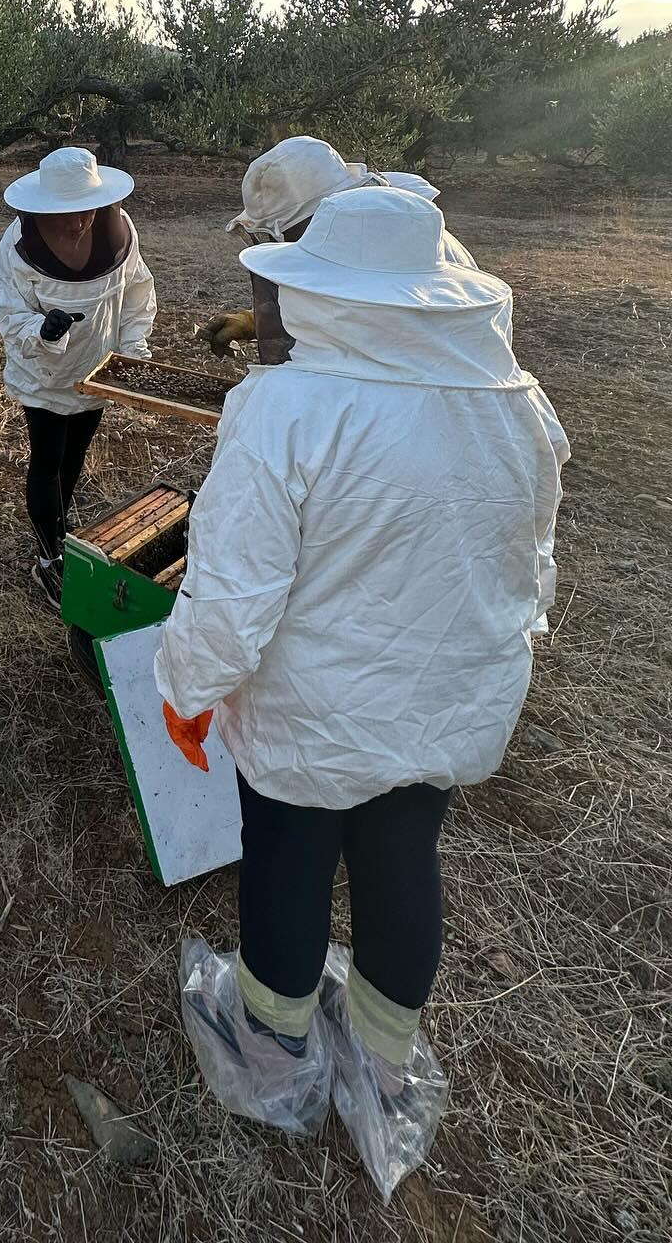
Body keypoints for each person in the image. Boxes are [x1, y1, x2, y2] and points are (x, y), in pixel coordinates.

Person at [156, 187, 567, 1193]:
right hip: (449, 701)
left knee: (288, 857)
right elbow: (533, 562)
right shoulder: (518, 401)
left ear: (323, 294)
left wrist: (186, 685)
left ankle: (274, 1061)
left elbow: (233, 592)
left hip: (312, 713)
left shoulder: (285, 407)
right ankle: (382, 1068)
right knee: (403, 860)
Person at [0, 146, 157, 605]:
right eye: (68, 213)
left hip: (96, 367)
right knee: (48, 459)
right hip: (44, 374)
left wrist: (132, 351)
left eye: (88, 210)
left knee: (74, 455)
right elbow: (8, 310)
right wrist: (40, 330)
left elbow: (137, 292)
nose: (80, 222)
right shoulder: (16, 245)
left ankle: (60, 531)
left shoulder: (121, 232)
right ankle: (48, 559)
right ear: (45, 208)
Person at [205, 137, 476, 363]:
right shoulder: (372, 234)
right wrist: (256, 321)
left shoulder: (392, 248)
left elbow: (379, 330)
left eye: (297, 232)